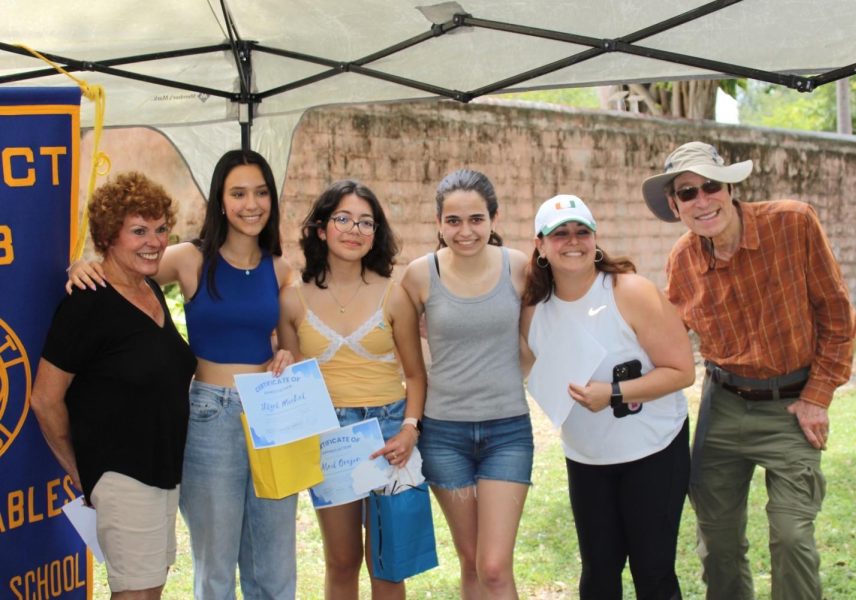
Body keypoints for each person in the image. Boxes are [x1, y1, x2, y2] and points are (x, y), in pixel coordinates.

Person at [66, 150, 297, 600]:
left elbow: (292, 346)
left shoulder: (281, 269)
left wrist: (287, 355)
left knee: (275, 564)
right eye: (238, 193)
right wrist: (81, 265)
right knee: (215, 567)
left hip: (273, 417)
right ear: (220, 201)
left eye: (261, 192)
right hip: (212, 416)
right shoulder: (190, 259)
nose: (251, 204)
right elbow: (125, 264)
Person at [642, 141, 856, 600]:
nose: (702, 200)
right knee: (716, 541)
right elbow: (666, 335)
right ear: (674, 205)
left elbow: (838, 316)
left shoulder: (793, 223)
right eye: (687, 192)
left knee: (792, 536)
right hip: (722, 406)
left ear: (730, 186)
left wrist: (818, 396)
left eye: (710, 186)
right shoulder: (684, 259)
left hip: (792, 404)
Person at [520, 194, 694, 599]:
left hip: (653, 452)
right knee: (598, 574)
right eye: (559, 233)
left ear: (596, 238)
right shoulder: (533, 309)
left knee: (653, 572)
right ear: (540, 246)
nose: (573, 240)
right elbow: (519, 362)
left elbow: (682, 370)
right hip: (587, 459)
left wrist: (614, 393)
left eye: (582, 231)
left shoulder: (629, 291)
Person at [32, 172, 197, 599]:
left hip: (162, 472)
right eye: (138, 231)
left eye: (161, 230)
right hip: (123, 478)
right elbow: (45, 399)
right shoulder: (87, 301)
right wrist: (84, 471)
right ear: (108, 237)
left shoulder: (149, 289)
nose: (155, 241)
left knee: (149, 589)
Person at [277, 180, 426, 599]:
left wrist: (409, 430)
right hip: (329, 434)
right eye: (343, 218)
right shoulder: (291, 300)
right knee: (342, 560)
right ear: (321, 229)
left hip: (390, 431)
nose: (354, 230)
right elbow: (295, 381)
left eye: (366, 222)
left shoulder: (394, 296)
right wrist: (281, 365)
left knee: (389, 564)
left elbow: (415, 375)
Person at [401, 168, 532, 599]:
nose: (465, 231)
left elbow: (541, 337)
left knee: (494, 566)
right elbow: (398, 348)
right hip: (444, 435)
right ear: (438, 224)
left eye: (476, 219)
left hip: (508, 431)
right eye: (453, 221)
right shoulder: (420, 276)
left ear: (493, 219)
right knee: (472, 557)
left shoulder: (518, 267)